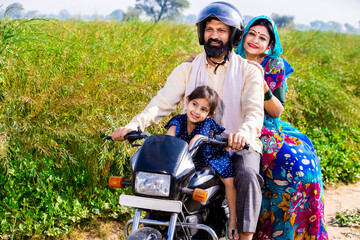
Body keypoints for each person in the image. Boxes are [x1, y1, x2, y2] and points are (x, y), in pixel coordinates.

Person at [111, 2, 264, 239]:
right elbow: (161, 102)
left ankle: (243, 234)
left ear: (232, 35)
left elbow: (254, 112)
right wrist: (134, 125)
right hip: (192, 146)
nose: (214, 35)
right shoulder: (187, 69)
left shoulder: (248, 71)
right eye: (209, 29)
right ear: (202, 33)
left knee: (247, 174)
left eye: (221, 30)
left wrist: (242, 134)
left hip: (235, 143)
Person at [234, 15, 329, 239]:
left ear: (270, 45)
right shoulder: (231, 60)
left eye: (262, 37)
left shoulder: (273, 65)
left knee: (301, 169)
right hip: (234, 122)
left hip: (266, 126)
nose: (255, 40)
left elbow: (277, 111)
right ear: (244, 35)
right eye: (252, 34)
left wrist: (263, 86)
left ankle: (289, 232)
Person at [165, 85, 239, 239]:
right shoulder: (178, 120)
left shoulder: (206, 124)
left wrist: (181, 158)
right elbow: (169, 139)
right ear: (187, 101)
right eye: (194, 104)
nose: (197, 111)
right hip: (182, 159)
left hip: (209, 157)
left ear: (209, 114)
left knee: (229, 181)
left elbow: (196, 141)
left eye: (203, 109)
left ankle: (233, 219)